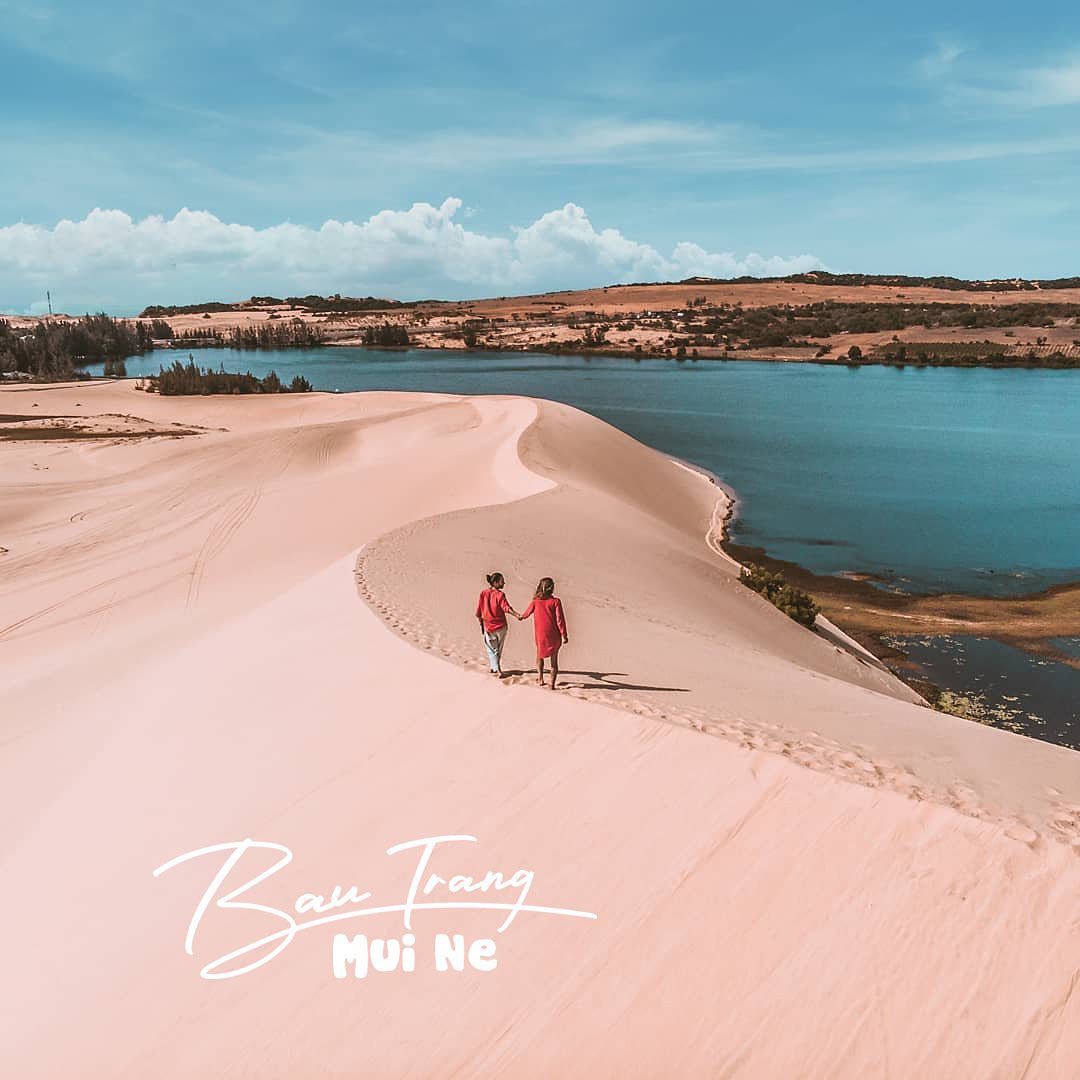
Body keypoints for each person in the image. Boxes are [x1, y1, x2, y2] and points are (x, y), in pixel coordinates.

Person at [518, 577, 568, 689]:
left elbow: (526, 613)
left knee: (539, 656)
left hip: (541, 634)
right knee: (554, 661)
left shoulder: (535, 601)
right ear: (552, 588)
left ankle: (540, 678)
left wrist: (520, 616)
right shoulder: (555, 602)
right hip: (554, 634)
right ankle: (552, 684)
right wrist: (564, 635)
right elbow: (560, 620)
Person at [475, 572, 519, 677]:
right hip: (501, 627)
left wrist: (481, 623)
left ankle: (495, 668)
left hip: (489, 626)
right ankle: (495, 667)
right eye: (501, 581)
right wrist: (517, 615)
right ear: (495, 582)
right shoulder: (500, 595)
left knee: (492, 649)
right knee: (498, 648)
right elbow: (506, 608)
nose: (504, 583)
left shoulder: (484, 593)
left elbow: (479, 611)